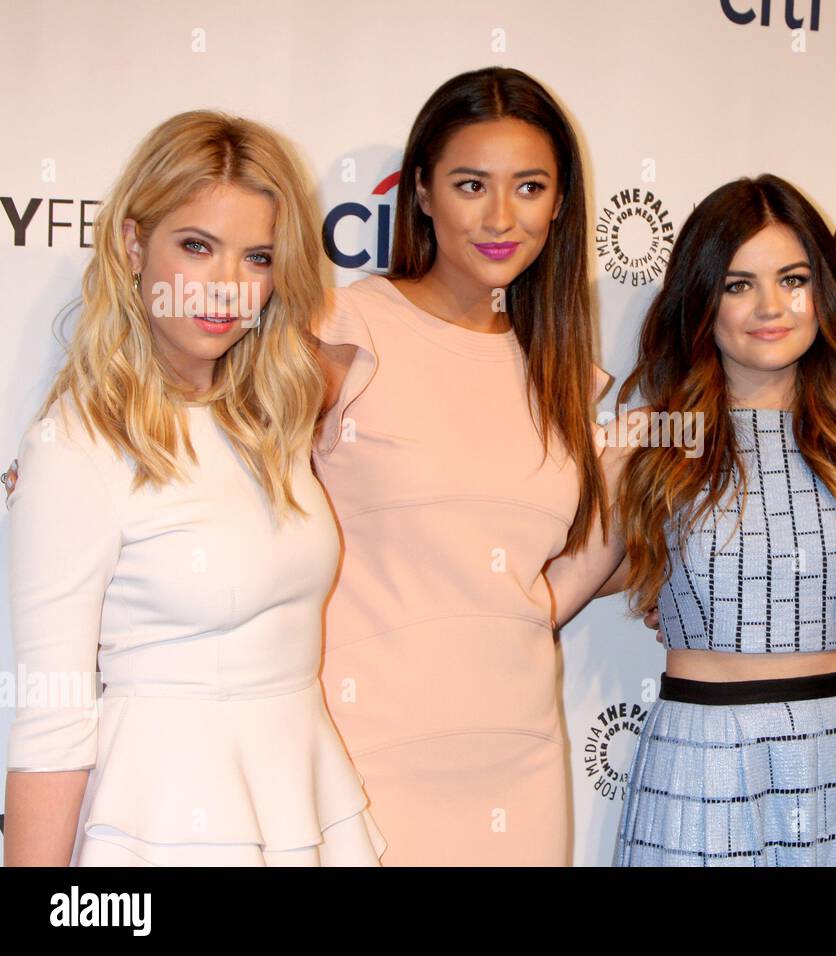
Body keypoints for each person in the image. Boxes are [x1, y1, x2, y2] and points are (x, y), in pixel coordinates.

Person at [4, 111, 384, 866]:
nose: (225, 289)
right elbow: (53, 713)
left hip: (300, 798)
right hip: (163, 823)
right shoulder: (78, 446)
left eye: (257, 258)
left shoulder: (268, 416)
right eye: (197, 247)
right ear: (132, 245)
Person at [546, 175, 836, 866]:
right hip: (703, 758)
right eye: (738, 284)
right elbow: (557, 593)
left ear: (824, 294)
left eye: (793, 278)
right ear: (703, 299)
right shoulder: (651, 443)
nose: (770, 306)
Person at [309, 67, 609, 865]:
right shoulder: (346, 332)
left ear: (561, 205)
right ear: (422, 192)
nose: (502, 216)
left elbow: (539, 587)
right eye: (472, 183)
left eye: (531, 187)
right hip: (358, 759)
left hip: (521, 764)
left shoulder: (567, 376)